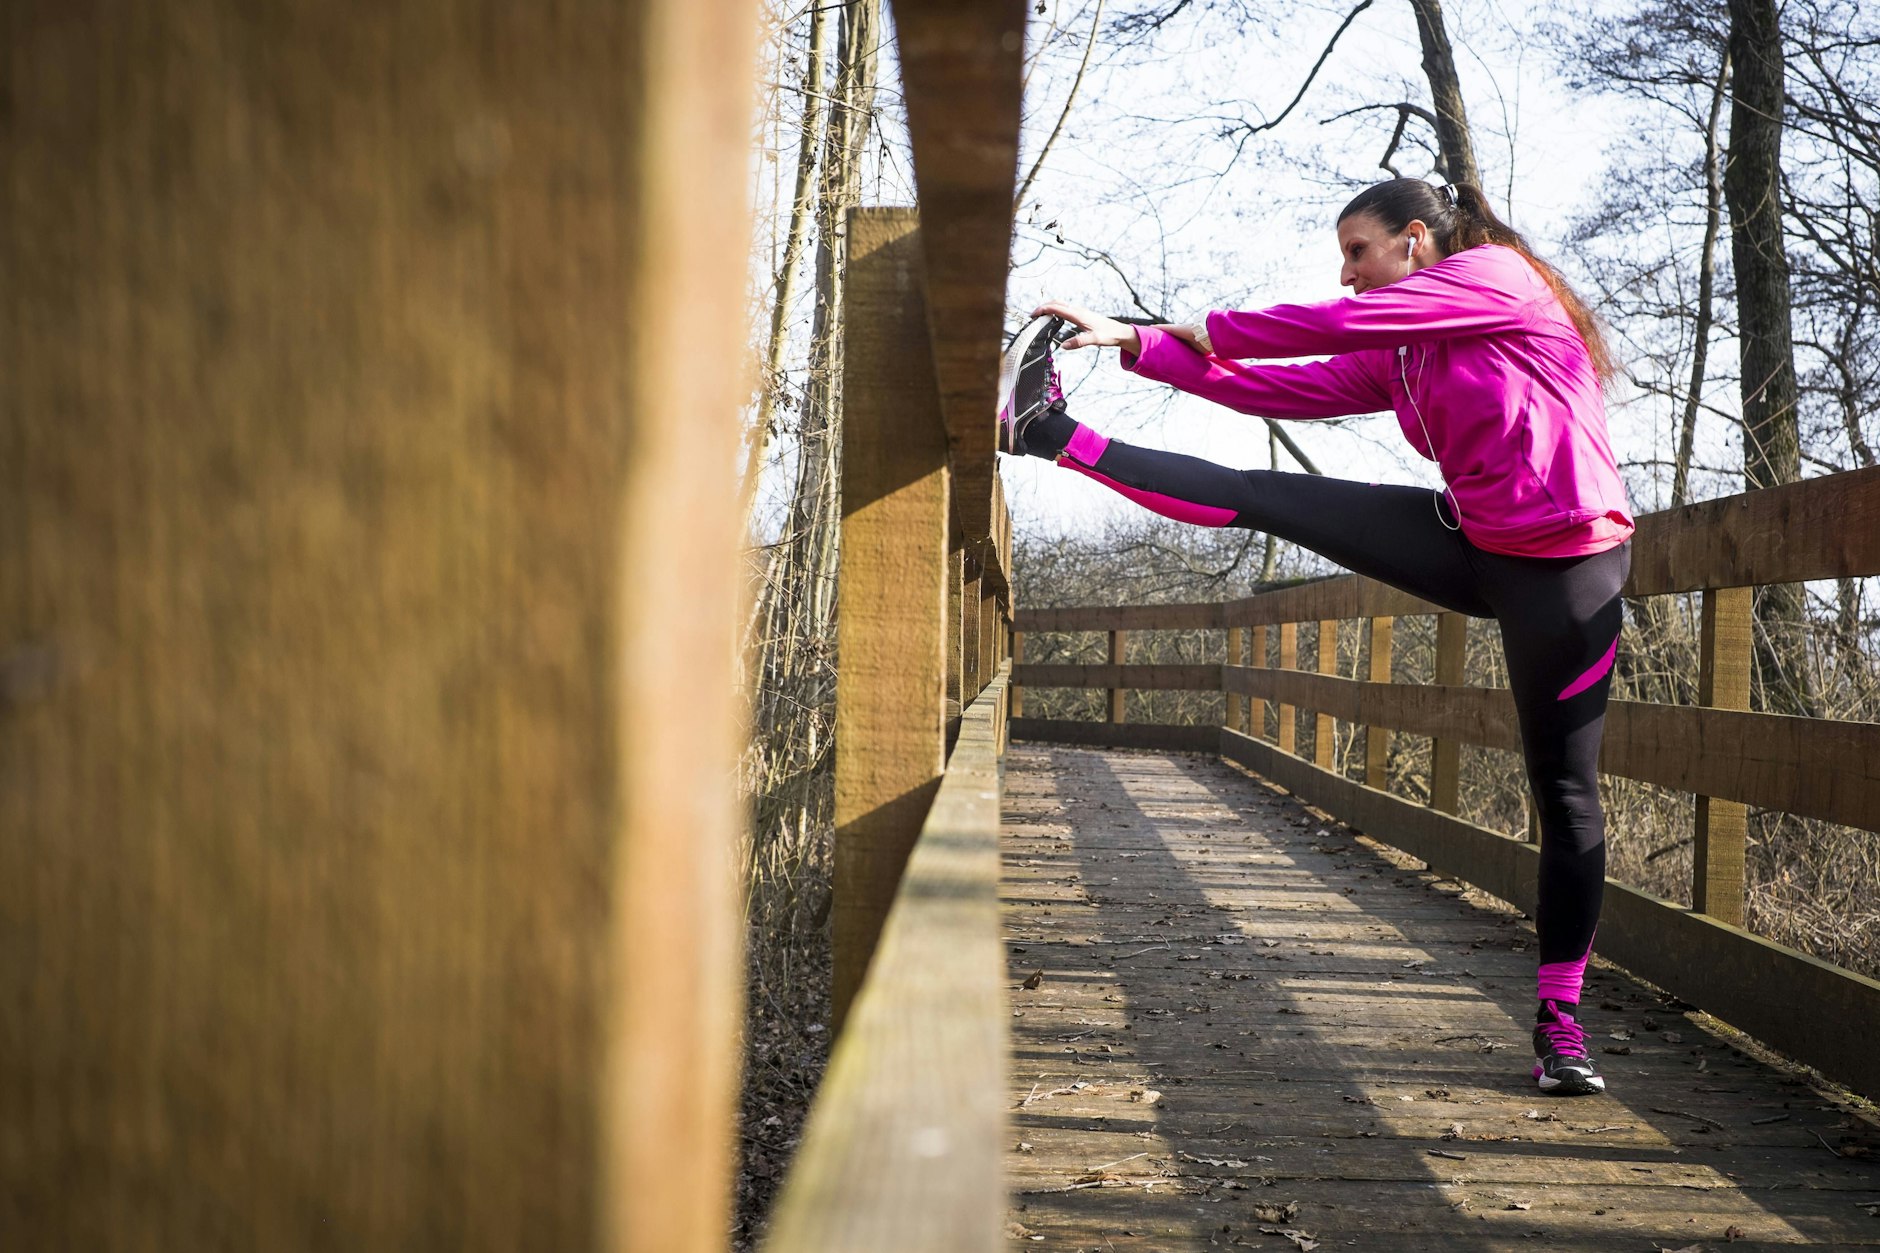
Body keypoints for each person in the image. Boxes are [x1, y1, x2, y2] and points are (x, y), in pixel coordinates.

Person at [996, 178, 1633, 1096]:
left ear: (1416, 241)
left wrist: (1209, 322)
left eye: (1357, 252)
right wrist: (1140, 343)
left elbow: (1320, 328)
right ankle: (1050, 433)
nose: (1347, 273)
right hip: (1472, 542)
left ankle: (1560, 1022)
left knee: (1565, 791)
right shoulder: (1407, 351)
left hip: (1572, 567)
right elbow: (1283, 389)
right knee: (1270, 495)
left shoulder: (1500, 278)